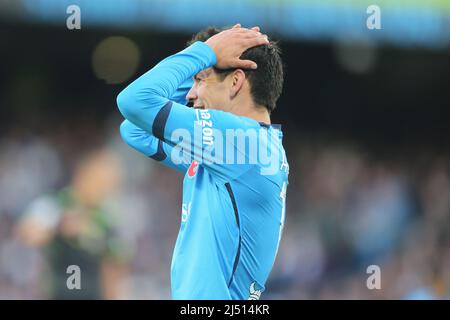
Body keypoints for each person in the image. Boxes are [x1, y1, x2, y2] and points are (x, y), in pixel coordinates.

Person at [117, 24, 289, 299]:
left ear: (236, 82)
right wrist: (208, 59)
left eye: (200, 81)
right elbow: (134, 128)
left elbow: (134, 101)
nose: (190, 94)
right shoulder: (232, 151)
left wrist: (206, 52)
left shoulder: (240, 142)